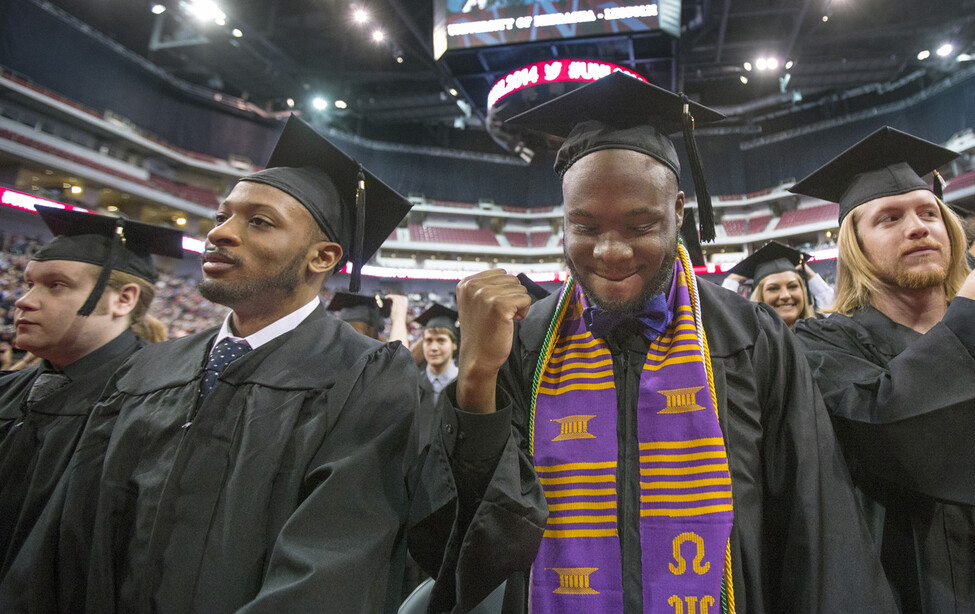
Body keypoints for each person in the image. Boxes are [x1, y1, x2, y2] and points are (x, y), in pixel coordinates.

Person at [408, 73, 895, 613]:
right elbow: (471, 541)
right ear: (562, 221)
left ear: (680, 212)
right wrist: (476, 381)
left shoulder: (752, 337)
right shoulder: (527, 342)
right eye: (585, 226)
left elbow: (814, 524)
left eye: (641, 225)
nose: (611, 252)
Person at [1, 116, 418, 613]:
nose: (219, 233)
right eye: (223, 216)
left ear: (322, 257)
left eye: (258, 221)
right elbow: (72, 535)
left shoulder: (363, 375)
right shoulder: (147, 369)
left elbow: (331, 565)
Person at [790, 126, 975, 612]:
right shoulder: (822, 348)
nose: (917, 227)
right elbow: (890, 429)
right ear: (855, 248)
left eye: (929, 212)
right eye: (888, 218)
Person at [0, 207, 181, 579]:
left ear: (124, 299)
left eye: (56, 285)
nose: (24, 300)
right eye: (29, 282)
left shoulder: (164, 405)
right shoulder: (7, 392)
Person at [723, 242, 819, 328]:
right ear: (759, 297)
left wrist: (812, 276)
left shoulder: (820, 334)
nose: (785, 295)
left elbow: (831, 310)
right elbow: (721, 319)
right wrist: (732, 280)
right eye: (773, 288)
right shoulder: (751, 344)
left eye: (793, 286)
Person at [413, 304, 458, 455]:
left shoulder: (462, 385)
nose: (433, 347)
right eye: (428, 340)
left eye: (441, 340)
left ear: (454, 345)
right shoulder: (413, 383)